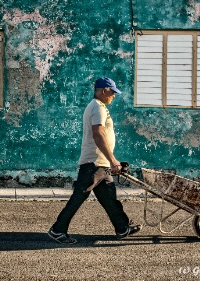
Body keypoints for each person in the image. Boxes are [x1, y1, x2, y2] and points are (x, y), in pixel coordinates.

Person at [48, 77, 141, 244]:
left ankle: (122, 228)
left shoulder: (99, 107)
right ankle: (57, 229)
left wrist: (110, 161)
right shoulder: (97, 108)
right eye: (112, 92)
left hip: (100, 163)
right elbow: (98, 135)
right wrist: (113, 160)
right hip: (94, 163)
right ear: (104, 90)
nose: (114, 95)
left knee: (109, 197)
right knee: (79, 196)